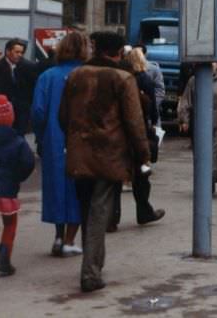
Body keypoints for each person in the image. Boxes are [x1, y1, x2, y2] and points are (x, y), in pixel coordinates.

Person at [59, 31, 152, 293]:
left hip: (80, 153)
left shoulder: (76, 75)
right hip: (109, 153)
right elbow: (134, 122)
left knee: (88, 208)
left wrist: (75, 139)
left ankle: (94, 264)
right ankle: (90, 272)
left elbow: (62, 116)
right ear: (118, 53)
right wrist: (142, 154)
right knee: (100, 211)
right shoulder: (123, 78)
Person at [31, 31, 89, 258]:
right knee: (78, 190)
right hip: (82, 141)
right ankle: (70, 240)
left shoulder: (47, 76)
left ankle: (57, 235)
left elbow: (37, 111)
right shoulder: (88, 75)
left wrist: (41, 135)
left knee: (56, 188)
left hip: (54, 139)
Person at [108, 49, 165, 231]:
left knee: (115, 176)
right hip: (138, 133)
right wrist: (153, 124)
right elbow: (151, 109)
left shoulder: (115, 79)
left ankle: (111, 217)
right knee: (142, 174)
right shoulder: (144, 79)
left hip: (116, 133)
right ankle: (144, 211)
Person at [0, 95, 35, 279]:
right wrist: (17, 177)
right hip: (8, 190)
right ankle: (3, 260)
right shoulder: (18, 141)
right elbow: (28, 163)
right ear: (10, 118)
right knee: (10, 223)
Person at [177, 62, 217, 188]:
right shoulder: (194, 81)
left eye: (214, 62)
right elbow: (186, 101)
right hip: (199, 125)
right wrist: (184, 120)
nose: (211, 64)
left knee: (215, 155)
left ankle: (210, 181)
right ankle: (205, 181)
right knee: (200, 154)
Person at [0, 39, 36, 135]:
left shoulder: (27, 66)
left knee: (19, 137)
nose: (20, 55)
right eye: (17, 52)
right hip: (4, 111)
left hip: (22, 111)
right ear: (7, 51)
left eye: (22, 52)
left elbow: (31, 88)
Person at [134, 44, 165, 126]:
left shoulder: (153, 69)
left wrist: (152, 105)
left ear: (145, 54)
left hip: (150, 113)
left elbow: (160, 90)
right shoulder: (128, 69)